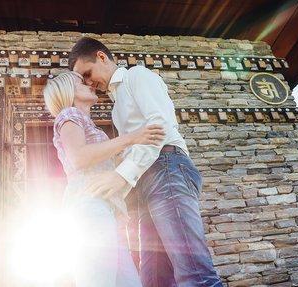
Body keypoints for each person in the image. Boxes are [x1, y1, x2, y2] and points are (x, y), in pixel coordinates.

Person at [69, 37, 223, 287]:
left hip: (167, 168)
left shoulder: (137, 77)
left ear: (101, 57)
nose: (89, 82)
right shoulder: (117, 107)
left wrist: (120, 176)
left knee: (194, 274)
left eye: (87, 73)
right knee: (154, 281)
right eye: (83, 80)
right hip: (144, 184)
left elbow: (158, 127)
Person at [43, 71, 164, 287]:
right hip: (89, 208)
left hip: (103, 211)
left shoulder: (85, 122)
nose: (89, 83)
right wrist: (132, 138)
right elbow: (79, 157)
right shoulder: (69, 114)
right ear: (69, 91)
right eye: (81, 82)